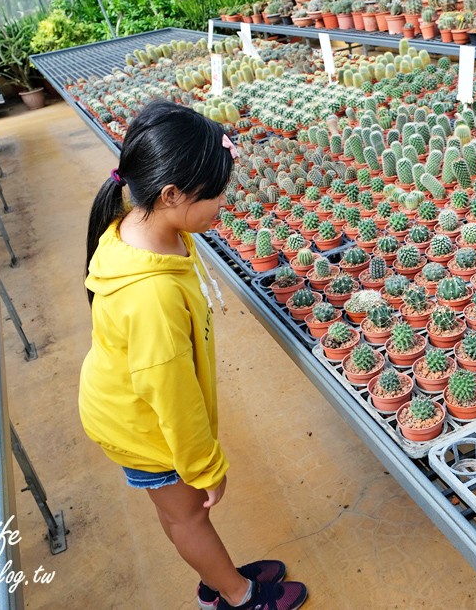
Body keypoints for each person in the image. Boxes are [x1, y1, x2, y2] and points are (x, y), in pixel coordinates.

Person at [79, 101, 308, 610]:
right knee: (188, 514)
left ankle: (216, 573)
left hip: (134, 404)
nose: (223, 202)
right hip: (144, 427)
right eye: (216, 192)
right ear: (171, 193)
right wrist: (206, 467)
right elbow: (173, 397)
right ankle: (234, 594)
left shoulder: (149, 222)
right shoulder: (150, 298)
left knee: (181, 514)